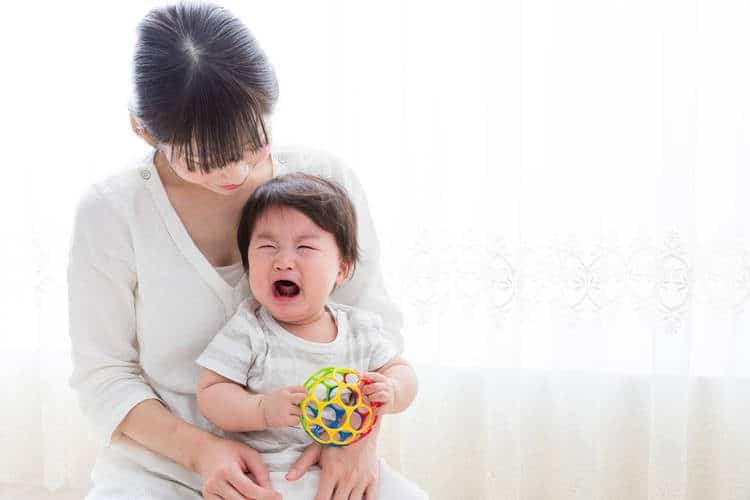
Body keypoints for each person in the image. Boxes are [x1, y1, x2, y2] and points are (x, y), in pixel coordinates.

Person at [67, 3, 427, 499]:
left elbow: (374, 331)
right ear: (142, 129)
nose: (233, 173)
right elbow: (104, 375)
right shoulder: (112, 212)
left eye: (251, 144)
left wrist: (358, 435)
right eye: (203, 160)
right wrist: (201, 452)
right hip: (165, 465)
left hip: (311, 452)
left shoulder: (324, 182)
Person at [195, 173, 421, 498]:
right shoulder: (250, 329)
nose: (283, 260)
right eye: (267, 246)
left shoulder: (359, 330)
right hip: (274, 470)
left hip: (350, 463)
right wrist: (261, 409)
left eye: (305, 247)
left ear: (342, 269)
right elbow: (211, 391)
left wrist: (394, 390)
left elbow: (401, 370)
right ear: (247, 262)